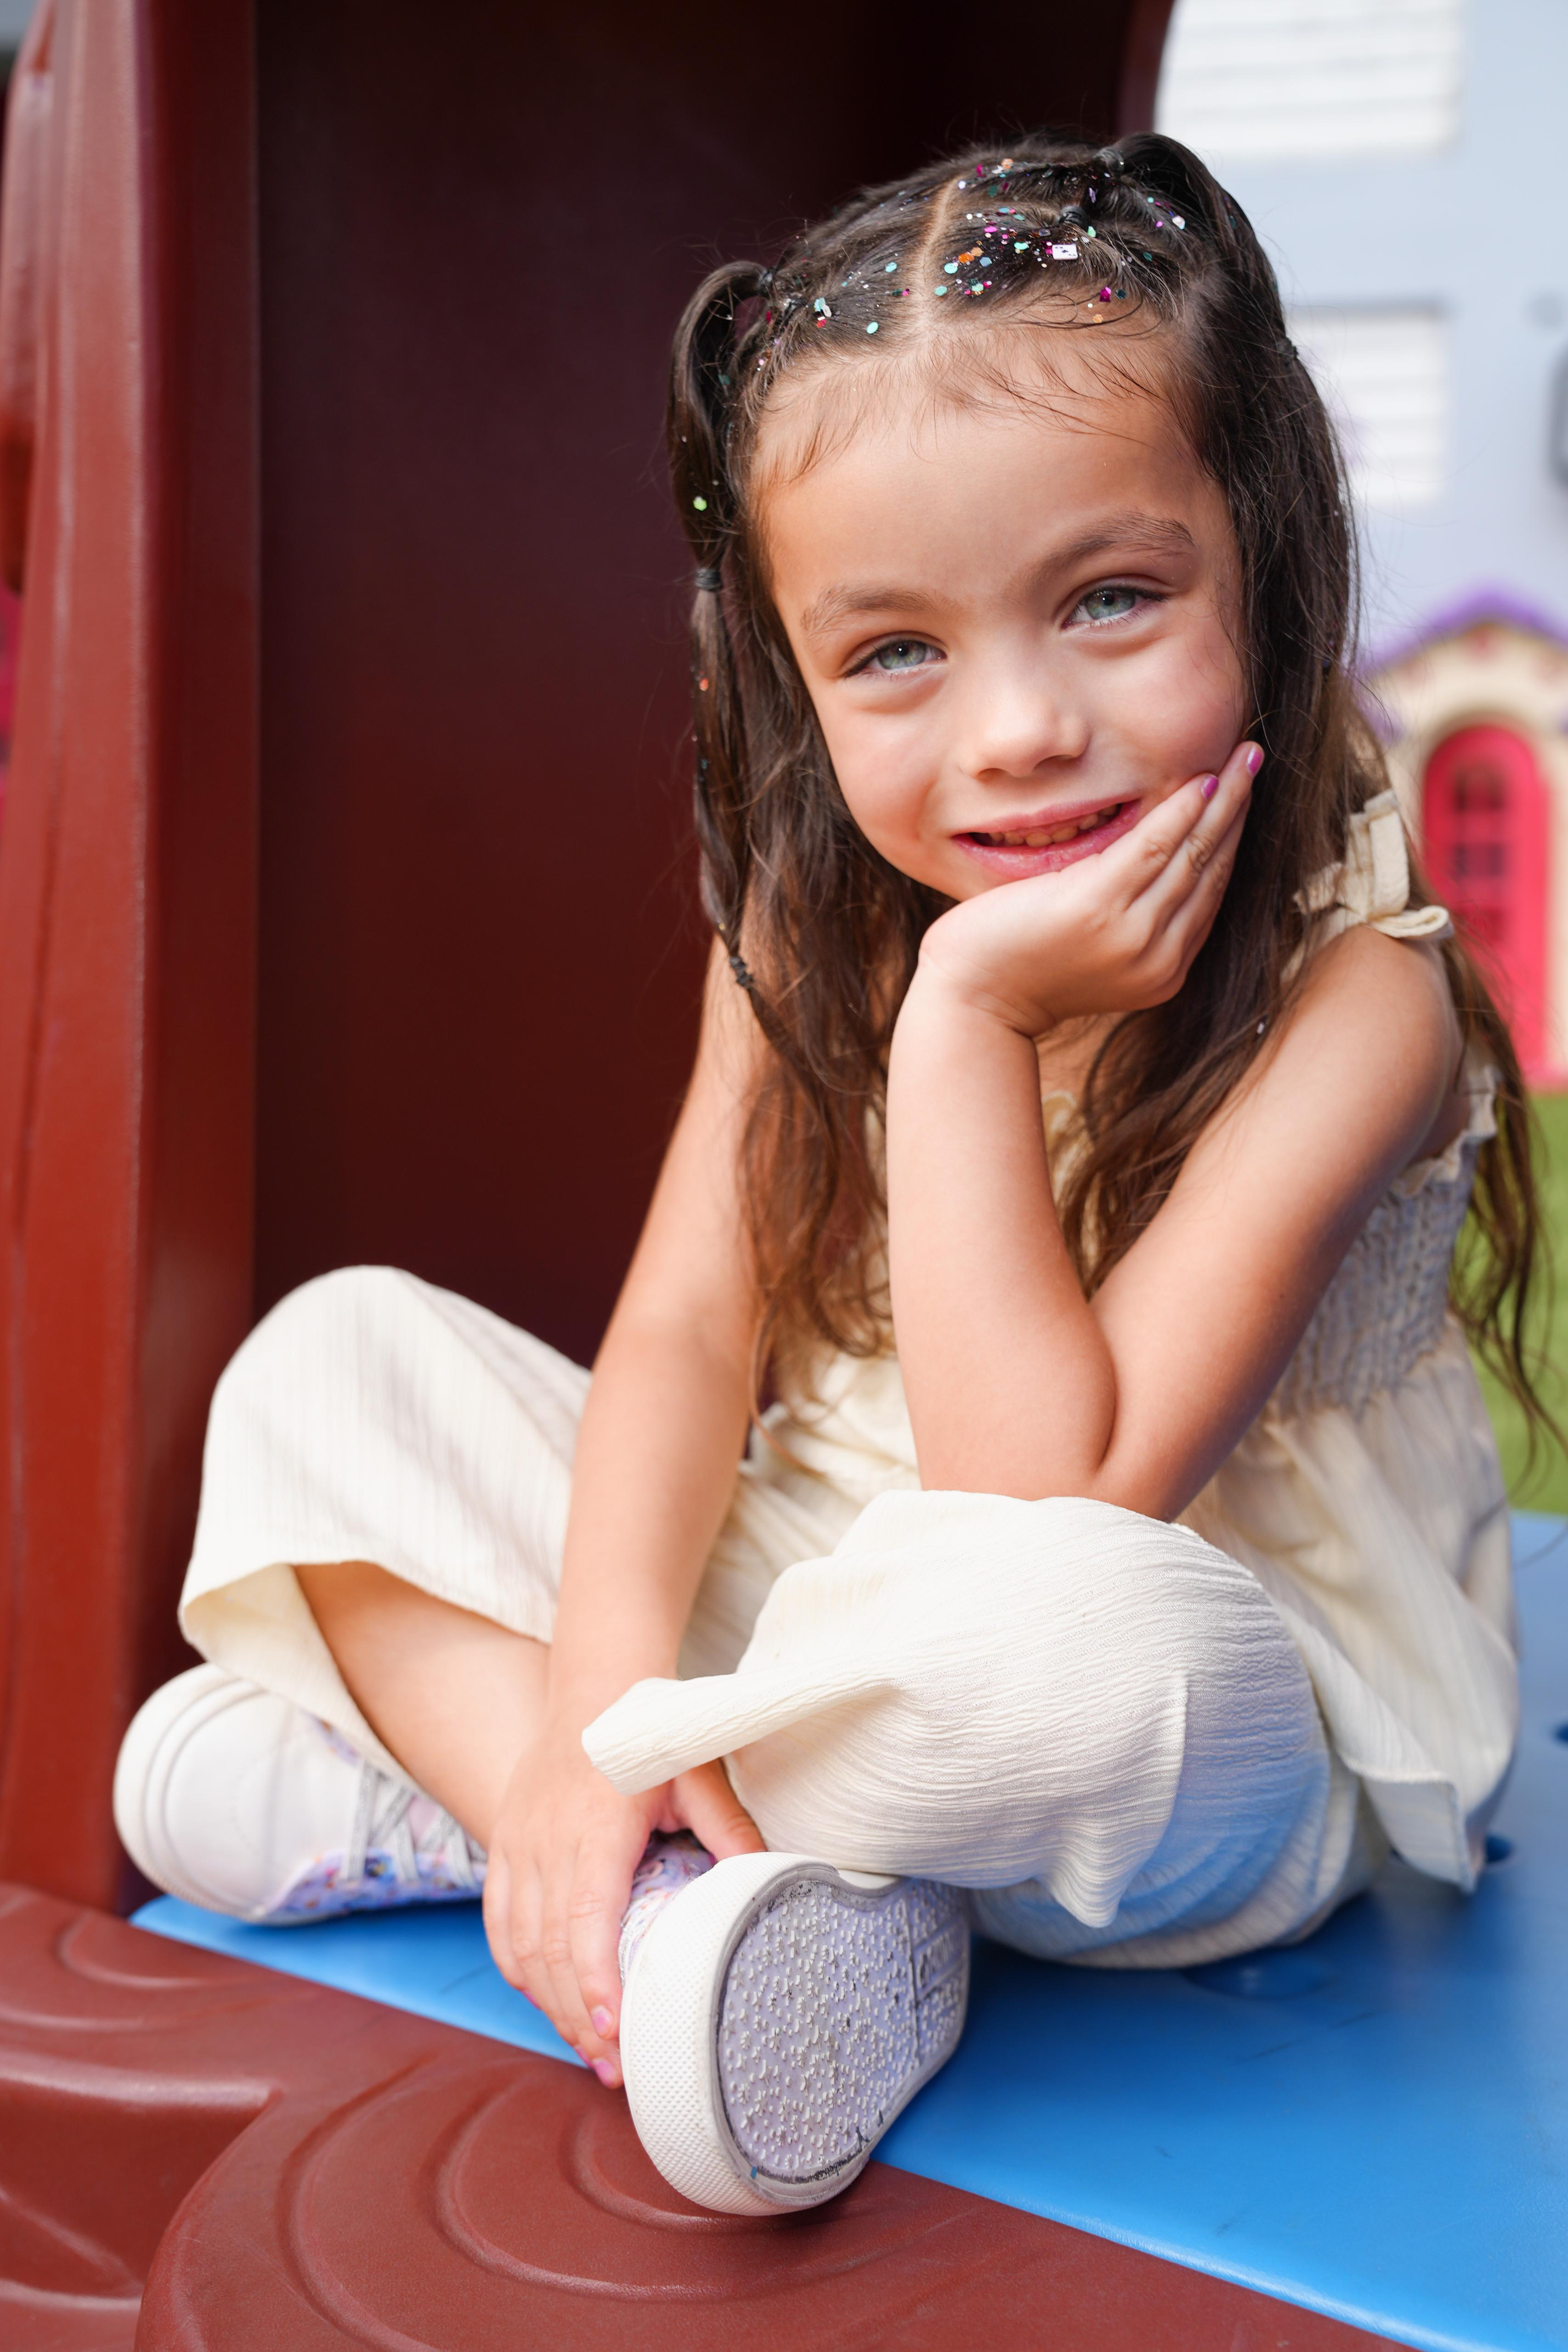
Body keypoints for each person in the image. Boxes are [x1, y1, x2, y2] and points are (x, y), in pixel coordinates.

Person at [115, 134, 1544, 2217]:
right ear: (788, 669)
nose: (1019, 728)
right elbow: (689, 1330)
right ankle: (652, 1852)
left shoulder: (1360, 1000)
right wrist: (599, 1691)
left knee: (1071, 1650)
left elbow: (1034, 1497)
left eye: (1110, 599)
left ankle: (529, 1811)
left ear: (1268, 554)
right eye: (895, 653)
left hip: (1193, 1699)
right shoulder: (813, 927)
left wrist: (970, 1021)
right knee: (323, 1365)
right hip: (836, 1585)